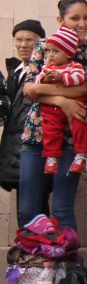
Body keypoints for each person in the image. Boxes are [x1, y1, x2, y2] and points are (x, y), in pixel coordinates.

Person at [18, 0, 87, 232]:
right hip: (36, 134)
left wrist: (43, 90)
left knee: (62, 209)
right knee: (28, 208)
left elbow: (85, 88)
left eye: (86, 17)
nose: (82, 23)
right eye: (75, 18)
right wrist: (62, 100)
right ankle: (35, 253)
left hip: (70, 138)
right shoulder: (43, 46)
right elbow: (29, 89)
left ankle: (66, 254)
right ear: (60, 20)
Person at [34, 26, 87, 175]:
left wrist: (61, 77)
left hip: (75, 107)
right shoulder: (47, 68)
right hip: (52, 110)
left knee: (79, 127)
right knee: (50, 131)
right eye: (48, 51)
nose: (50, 55)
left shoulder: (75, 67)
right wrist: (44, 79)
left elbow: (79, 79)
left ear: (68, 53)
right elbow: (36, 84)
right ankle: (51, 158)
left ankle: (80, 156)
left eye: (55, 51)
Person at [0, 19, 45, 194]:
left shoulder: (44, 72)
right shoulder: (15, 72)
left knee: (34, 205)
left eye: (29, 40)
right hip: (13, 152)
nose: (23, 45)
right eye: (19, 40)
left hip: (33, 151)